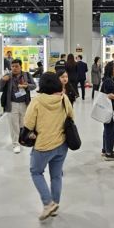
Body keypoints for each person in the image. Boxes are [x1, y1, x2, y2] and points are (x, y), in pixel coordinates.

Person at [23, 72, 74, 220]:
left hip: (43, 146)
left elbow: (28, 124)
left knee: (36, 172)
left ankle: (48, 203)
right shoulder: (63, 98)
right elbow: (71, 116)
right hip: (62, 144)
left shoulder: (37, 101)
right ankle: (55, 204)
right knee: (56, 175)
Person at [0, 59, 37, 154]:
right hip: (12, 104)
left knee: (23, 124)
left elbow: (34, 86)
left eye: (16, 66)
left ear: (21, 67)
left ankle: (22, 140)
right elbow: (0, 88)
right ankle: (15, 144)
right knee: (14, 125)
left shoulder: (26, 75)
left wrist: (26, 86)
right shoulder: (8, 76)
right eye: (12, 66)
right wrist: (3, 80)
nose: (14, 68)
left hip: (24, 103)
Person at [100, 62, 114, 161]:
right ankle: (109, 152)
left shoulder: (107, 80)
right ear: (110, 70)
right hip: (110, 108)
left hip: (107, 108)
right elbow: (109, 95)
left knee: (107, 129)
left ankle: (105, 150)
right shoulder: (109, 81)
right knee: (110, 130)